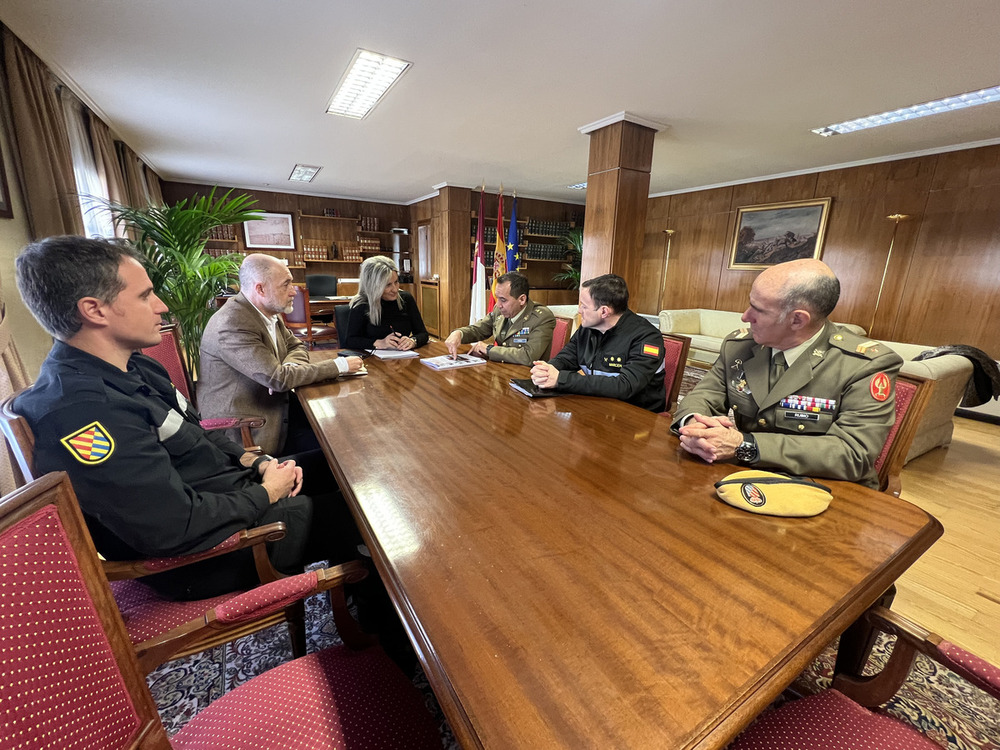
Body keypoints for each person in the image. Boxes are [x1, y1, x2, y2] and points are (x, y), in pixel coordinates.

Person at [12, 236, 361, 601]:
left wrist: (255, 461)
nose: (162, 306)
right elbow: (176, 526)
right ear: (94, 310)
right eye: (145, 296)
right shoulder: (80, 413)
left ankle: (360, 591)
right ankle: (386, 635)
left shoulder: (136, 365)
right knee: (368, 518)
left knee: (345, 465)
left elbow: (197, 434)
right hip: (211, 554)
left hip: (230, 493)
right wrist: (267, 492)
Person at [671, 258, 902, 489]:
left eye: (758, 310)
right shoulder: (739, 345)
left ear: (797, 319)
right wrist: (694, 424)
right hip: (745, 479)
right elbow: (701, 396)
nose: (745, 316)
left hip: (827, 489)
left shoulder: (864, 365)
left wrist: (746, 444)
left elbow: (854, 454)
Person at [199, 254, 363, 455]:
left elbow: (297, 347)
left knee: (345, 431)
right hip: (248, 430)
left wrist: (290, 367)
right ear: (260, 289)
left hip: (275, 407)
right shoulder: (233, 323)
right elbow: (277, 380)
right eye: (286, 285)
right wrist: (340, 366)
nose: (293, 291)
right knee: (343, 449)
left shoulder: (267, 312)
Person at [529, 274, 666, 412]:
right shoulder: (588, 328)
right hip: (598, 406)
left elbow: (625, 386)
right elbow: (567, 357)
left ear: (604, 311)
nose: (579, 310)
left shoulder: (647, 337)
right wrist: (546, 371)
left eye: (584, 306)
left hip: (636, 415)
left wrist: (561, 379)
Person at [444, 272, 556, 365]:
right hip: (501, 372)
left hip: (527, 378)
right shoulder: (499, 311)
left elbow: (528, 356)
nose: (498, 305)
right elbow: (479, 329)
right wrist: (459, 333)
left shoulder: (542, 317)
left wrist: (488, 349)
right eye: (497, 298)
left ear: (521, 299)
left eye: (503, 300)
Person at [344, 256, 429, 351]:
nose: (395, 289)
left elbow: (423, 334)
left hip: (403, 359)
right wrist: (379, 343)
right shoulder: (361, 304)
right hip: (372, 361)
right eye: (388, 285)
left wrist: (413, 341)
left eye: (396, 282)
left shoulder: (406, 299)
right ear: (373, 286)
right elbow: (350, 341)